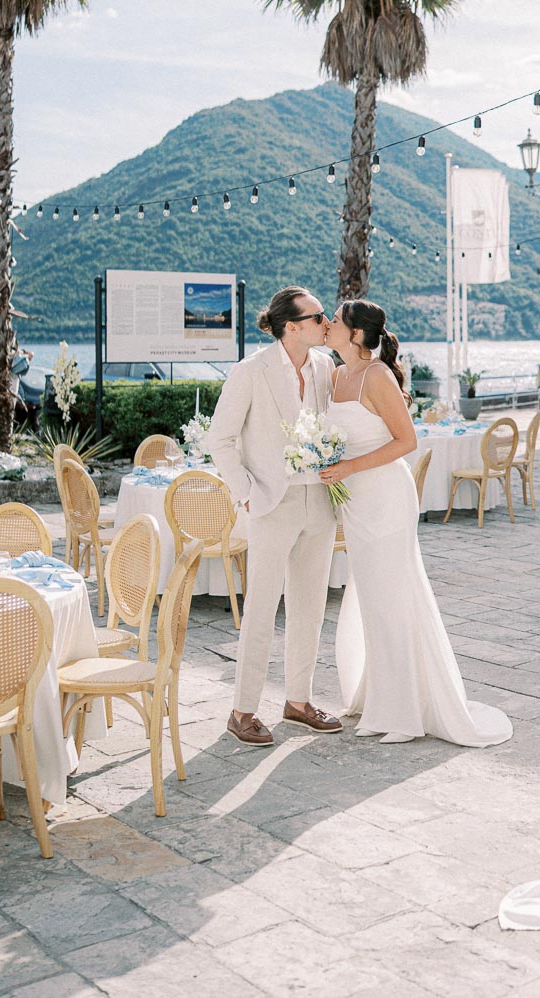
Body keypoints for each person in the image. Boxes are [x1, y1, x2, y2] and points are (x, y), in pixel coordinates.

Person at [321, 299, 513, 747]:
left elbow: (406, 441)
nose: (328, 323)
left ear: (356, 335)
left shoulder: (378, 376)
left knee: (393, 597)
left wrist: (349, 468)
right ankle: (380, 697)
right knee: (370, 598)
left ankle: (405, 712)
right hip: (357, 502)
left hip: (386, 497)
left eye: (336, 319)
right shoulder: (336, 376)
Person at [207, 286, 342, 747]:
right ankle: (242, 710)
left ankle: (298, 702)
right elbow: (220, 440)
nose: (327, 322)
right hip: (270, 503)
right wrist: (245, 495)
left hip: (319, 502)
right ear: (292, 327)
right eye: (319, 316)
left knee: (310, 606)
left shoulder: (325, 366)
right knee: (262, 608)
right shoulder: (251, 371)